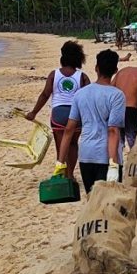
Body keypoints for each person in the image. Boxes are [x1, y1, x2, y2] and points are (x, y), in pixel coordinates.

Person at [57, 48, 126, 194]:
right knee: (108, 205)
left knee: (92, 203)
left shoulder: (81, 94)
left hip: (86, 156)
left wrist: (60, 162)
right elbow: (113, 131)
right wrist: (113, 164)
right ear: (115, 70)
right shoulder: (117, 96)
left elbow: (69, 130)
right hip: (106, 157)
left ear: (96, 68)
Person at [26, 41, 90, 178]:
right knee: (73, 144)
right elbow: (88, 98)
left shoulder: (54, 75)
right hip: (76, 116)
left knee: (61, 146)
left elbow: (44, 95)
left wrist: (33, 112)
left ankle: (62, 172)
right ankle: (70, 175)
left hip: (58, 115)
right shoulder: (83, 77)